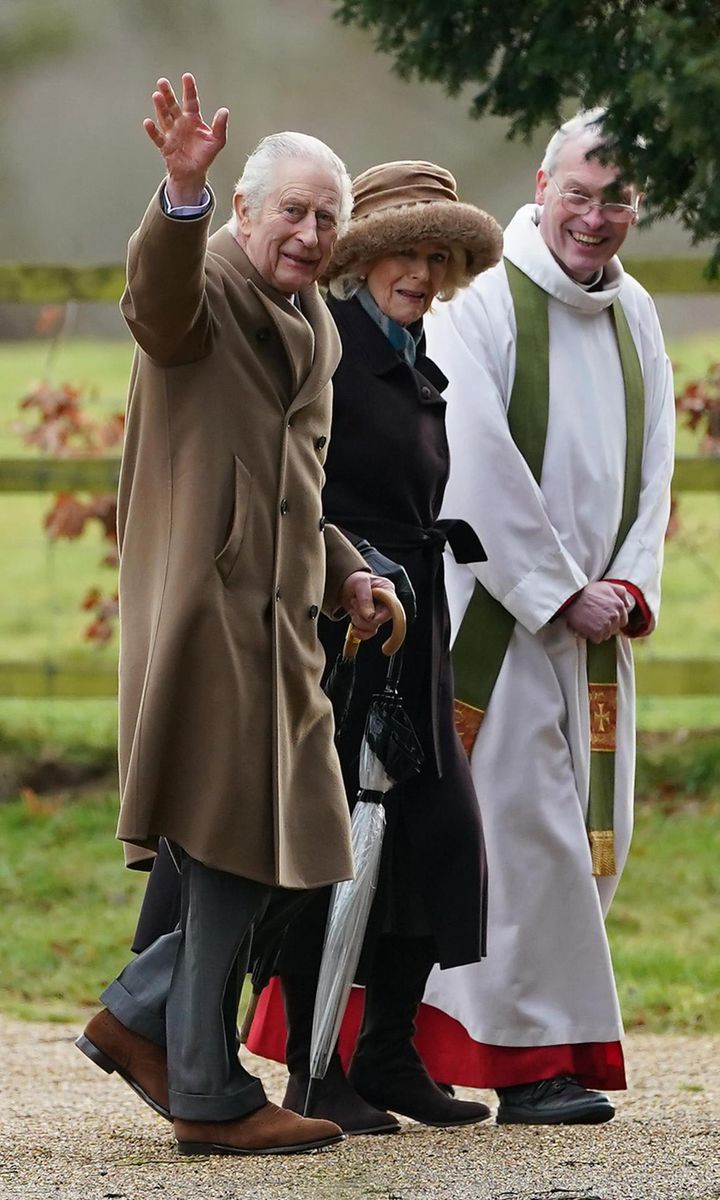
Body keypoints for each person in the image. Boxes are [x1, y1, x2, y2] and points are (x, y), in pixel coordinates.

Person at [75, 73, 398, 1158]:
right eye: (291, 211)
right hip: (206, 611)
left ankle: (141, 1014)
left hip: (281, 620)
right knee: (231, 837)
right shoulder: (207, 287)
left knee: (293, 840)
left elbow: (292, 484)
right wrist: (179, 195)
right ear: (246, 212)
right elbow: (153, 305)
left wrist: (346, 566)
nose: (308, 233)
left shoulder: (314, 322)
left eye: (326, 217)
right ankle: (206, 1084)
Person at [409, 109, 675, 1124]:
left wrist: (627, 586)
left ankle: (454, 1045)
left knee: (585, 837)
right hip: (496, 617)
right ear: (540, 182)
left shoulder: (637, 310)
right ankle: (529, 1069)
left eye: (618, 199)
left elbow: (654, 470)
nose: (596, 218)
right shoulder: (477, 297)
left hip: (596, 632)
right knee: (523, 840)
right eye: (580, 192)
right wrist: (560, 589)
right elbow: (468, 452)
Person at [244, 161, 503, 1134]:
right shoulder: (334, 342)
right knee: (335, 847)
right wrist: (349, 581)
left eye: (439, 257)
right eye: (407, 251)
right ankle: (316, 1074)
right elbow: (302, 488)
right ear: (365, 257)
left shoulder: (415, 348)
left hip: (414, 614)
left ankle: (388, 1053)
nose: (424, 272)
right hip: (343, 627)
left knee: (440, 838)